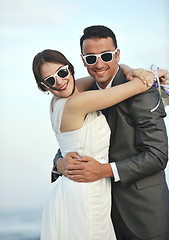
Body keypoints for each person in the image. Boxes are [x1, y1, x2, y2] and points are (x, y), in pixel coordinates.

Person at [53, 25, 169, 240]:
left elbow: (157, 155)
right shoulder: (83, 96)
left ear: (117, 54)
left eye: (106, 55)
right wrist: (60, 163)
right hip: (99, 213)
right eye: (91, 58)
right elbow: (72, 143)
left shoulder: (141, 89)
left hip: (144, 214)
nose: (99, 64)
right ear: (82, 60)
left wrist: (104, 170)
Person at [32, 49, 154, 240]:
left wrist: (130, 69)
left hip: (78, 191)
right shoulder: (76, 103)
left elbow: (112, 71)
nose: (60, 82)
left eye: (62, 72)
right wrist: (147, 73)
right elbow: (138, 86)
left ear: (70, 69)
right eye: (50, 80)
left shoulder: (58, 101)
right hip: (84, 196)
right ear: (44, 86)